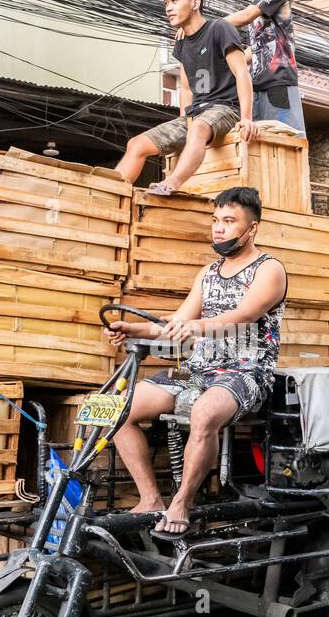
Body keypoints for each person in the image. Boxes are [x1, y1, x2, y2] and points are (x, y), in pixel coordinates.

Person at [103, 186, 287, 538]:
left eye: (229, 221)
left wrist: (196, 326)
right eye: (216, 220)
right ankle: (152, 498)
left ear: (252, 228)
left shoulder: (269, 269)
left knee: (204, 412)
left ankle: (182, 503)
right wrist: (134, 329)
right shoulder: (208, 273)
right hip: (198, 372)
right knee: (115, 408)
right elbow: (176, 322)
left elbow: (244, 315)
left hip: (245, 374)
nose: (218, 228)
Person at [116, 0, 255, 194]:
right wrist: (184, 120)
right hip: (196, 116)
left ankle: (170, 184)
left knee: (198, 127)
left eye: (173, 1)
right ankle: (111, 192)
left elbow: (241, 72)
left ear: (195, 3)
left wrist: (246, 117)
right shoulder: (181, 41)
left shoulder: (220, 28)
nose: (168, 8)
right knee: (136, 144)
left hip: (226, 109)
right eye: (166, 3)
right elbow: (187, 88)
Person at [222, 0, 305, 136]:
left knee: (288, 140)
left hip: (279, 82)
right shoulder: (256, 2)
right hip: (256, 87)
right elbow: (256, 47)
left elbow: (246, 16)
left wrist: (207, 26)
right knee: (262, 148)